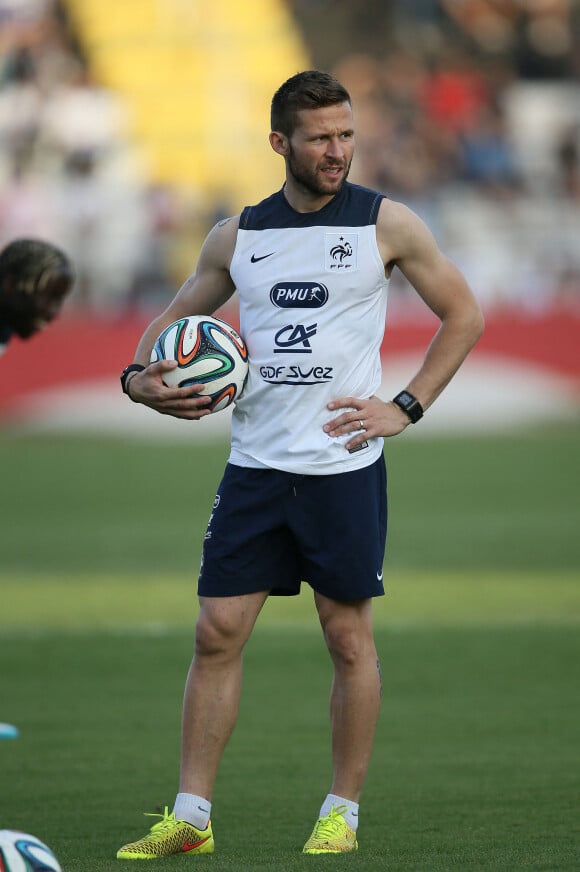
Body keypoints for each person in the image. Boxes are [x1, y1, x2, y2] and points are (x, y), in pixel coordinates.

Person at [116, 70, 484, 860]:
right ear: (281, 142)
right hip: (255, 467)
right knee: (216, 632)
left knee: (347, 638)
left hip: (344, 467)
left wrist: (405, 406)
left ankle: (341, 813)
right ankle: (190, 818)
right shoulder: (238, 234)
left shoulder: (388, 224)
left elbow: (464, 314)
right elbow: (175, 318)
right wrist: (138, 380)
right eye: (320, 137)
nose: (337, 151)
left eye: (346, 135)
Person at [0, 238, 74, 355]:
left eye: (59, 300)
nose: (55, 312)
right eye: (49, 297)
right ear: (10, 284)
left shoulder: (5, 327)